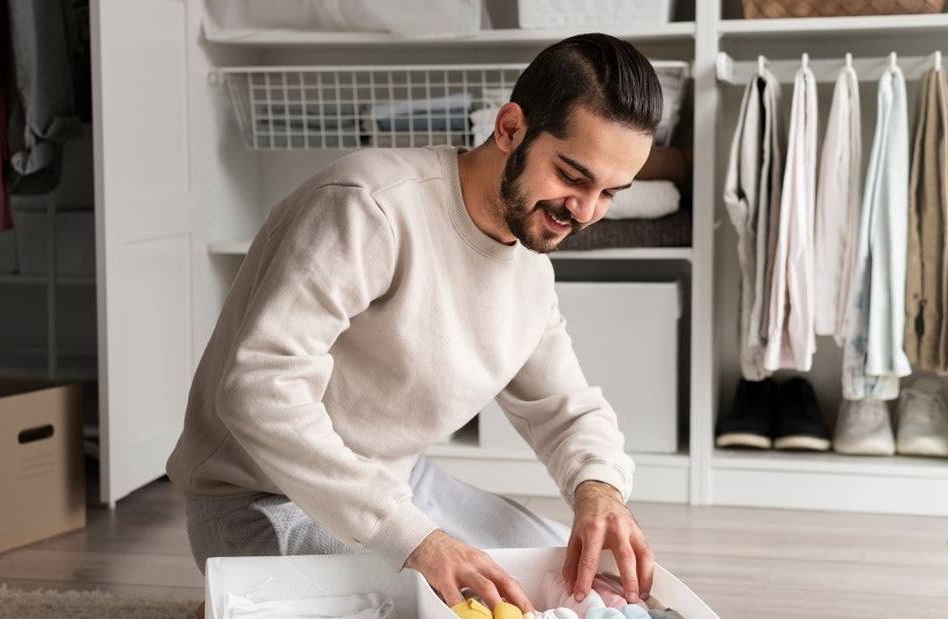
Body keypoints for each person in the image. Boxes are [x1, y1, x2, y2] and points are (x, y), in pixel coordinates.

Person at [166, 32, 662, 617]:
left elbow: (564, 406)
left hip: (396, 482)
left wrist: (599, 490)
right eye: (573, 177)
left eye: (609, 193)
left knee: (577, 584)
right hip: (260, 496)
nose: (584, 212)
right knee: (445, 605)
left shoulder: (528, 267)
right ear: (510, 129)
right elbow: (257, 392)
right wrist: (416, 539)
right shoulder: (369, 206)